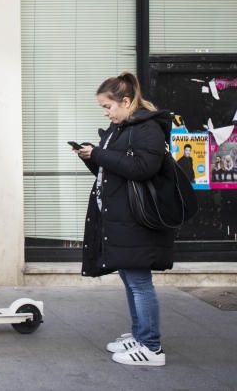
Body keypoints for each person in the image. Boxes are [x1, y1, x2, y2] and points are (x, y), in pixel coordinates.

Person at [74, 72, 174, 367]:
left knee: (140, 282)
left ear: (126, 101)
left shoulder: (148, 128)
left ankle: (152, 347)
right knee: (131, 279)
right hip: (122, 218)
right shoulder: (122, 127)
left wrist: (100, 155)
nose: (106, 113)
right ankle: (140, 334)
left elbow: (143, 168)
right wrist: (92, 159)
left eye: (108, 107)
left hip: (138, 220)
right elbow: (115, 172)